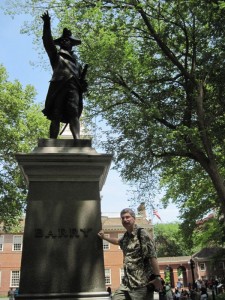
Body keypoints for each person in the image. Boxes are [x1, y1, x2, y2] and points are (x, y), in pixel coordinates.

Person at [41, 11, 88, 139]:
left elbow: (81, 82)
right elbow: (48, 43)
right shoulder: (56, 57)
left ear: (71, 44)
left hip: (74, 88)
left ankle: (77, 140)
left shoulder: (77, 64)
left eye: (67, 40)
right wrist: (47, 24)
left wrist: (83, 85)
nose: (64, 42)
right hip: (59, 86)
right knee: (55, 114)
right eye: (62, 40)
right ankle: (52, 141)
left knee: (74, 113)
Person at [98, 208, 162, 300]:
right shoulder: (126, 236)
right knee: (116, 298)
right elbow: (117, 241)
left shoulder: (142, 233)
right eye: (123, 218)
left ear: (134, 218)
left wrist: (157, 277)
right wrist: (104, 237)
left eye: (127, 217)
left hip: (141, 283)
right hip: (127, 283)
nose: (125, 220)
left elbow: (152, 256)